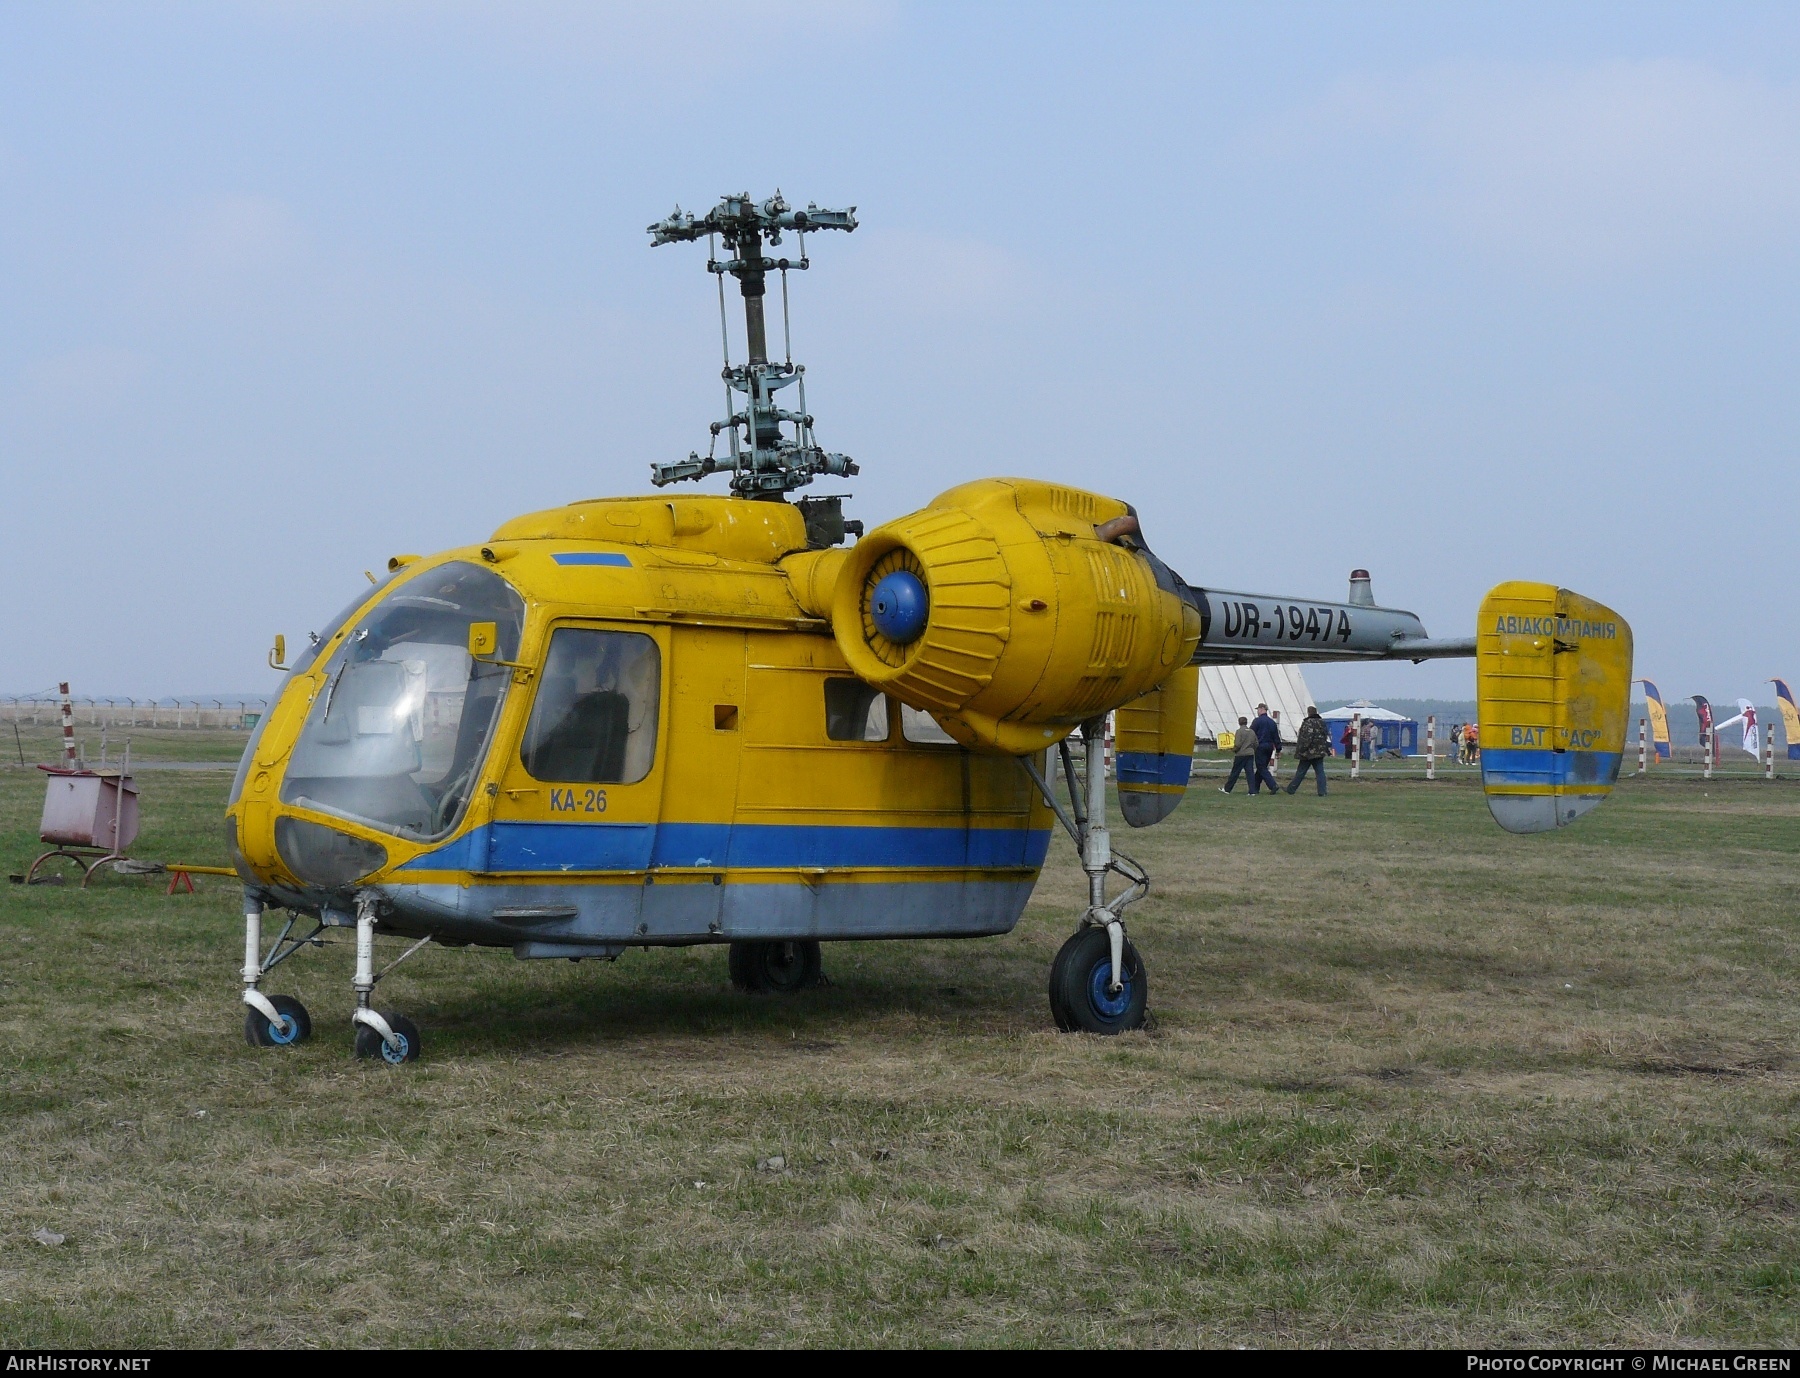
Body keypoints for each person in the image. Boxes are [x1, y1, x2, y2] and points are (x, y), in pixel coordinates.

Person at [1286, 705, 1331, 795]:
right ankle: (1322, 791)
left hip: (1308, 753)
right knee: (1320, 772)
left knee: (1301, 772)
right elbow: (1325, 735)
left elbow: (1306, 738)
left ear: (1308, 712)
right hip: (1320, 751)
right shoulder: (1322, 722)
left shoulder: (1308, 723)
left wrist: (1302, 750)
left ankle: (1291, 789)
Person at [1250, 703, 1282, 796]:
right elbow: (1276, 736)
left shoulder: (1257, 721)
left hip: (1260, 746)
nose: (1257, 711)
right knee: (1262, 767)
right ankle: (1255, 788)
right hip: (1269, 747)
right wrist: (1278, 749)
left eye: (1258, 709)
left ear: (1261, 709)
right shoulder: (1272, 722)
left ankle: (1273, 785)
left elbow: (1251, 734)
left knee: (1261, 767)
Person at [1220, 716, 1257, 793]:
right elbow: (1256, 743)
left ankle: (1227, 789)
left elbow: (1237, 744)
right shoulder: (1252, 732)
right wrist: (1253, 750)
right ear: (1246, 722)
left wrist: (1233, 750)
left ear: (1239, 723)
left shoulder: (1239, 731)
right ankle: (1252, 791)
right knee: (1250, 773)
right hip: (1250, 754)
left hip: (1241, 754)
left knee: (1235, 772)